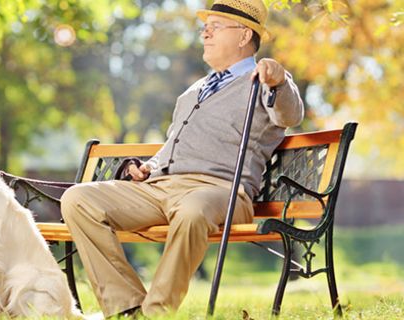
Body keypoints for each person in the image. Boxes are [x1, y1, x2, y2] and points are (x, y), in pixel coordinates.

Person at [60, 0, 304, 317]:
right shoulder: (194, 90)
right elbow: (173, 143)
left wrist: (279, 80)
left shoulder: (263, 81)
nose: (205, 33)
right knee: (78, 199)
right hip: (162, 187)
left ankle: (156, 312)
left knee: (193, 208)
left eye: (215, 27)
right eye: (205, 27)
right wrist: (149, 167)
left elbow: (290, 115)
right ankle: (126, 307)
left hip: (223, 193)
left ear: (244, 35)